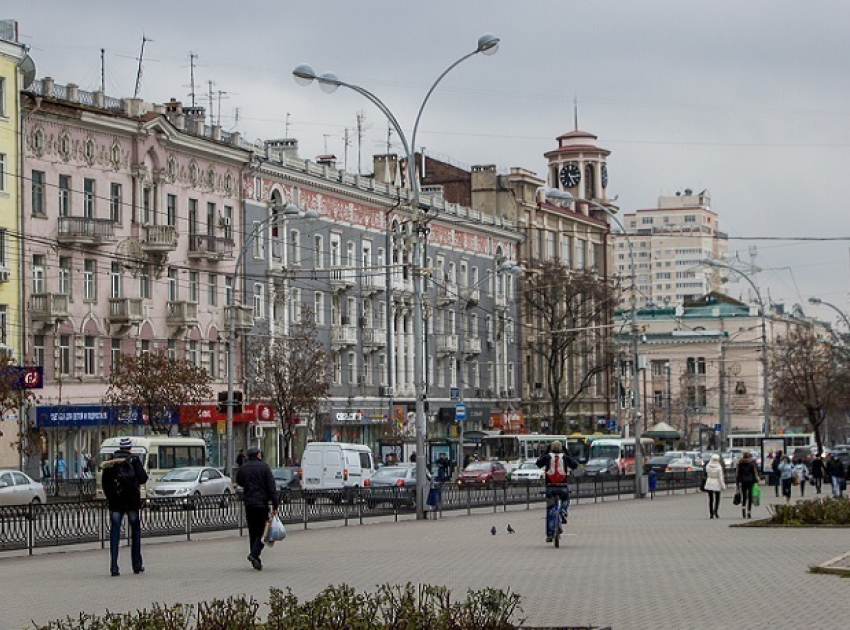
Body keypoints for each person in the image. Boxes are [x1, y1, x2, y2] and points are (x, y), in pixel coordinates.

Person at [101, 437, 148, 577]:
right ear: (130, 448)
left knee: (115, 533)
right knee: (135, 532)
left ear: (120, 448)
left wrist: (111, 498)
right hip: (132, 502)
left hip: (116, 503)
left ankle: (114, 567)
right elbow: (143, 478)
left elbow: (105, 483)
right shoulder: (134, 460)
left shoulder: (111, 462)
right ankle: (137, 565)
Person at [235, 446, 279, 571]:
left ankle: (255, 558)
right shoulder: (264, 467)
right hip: (262, 504)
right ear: (258, 455)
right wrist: (275, 504)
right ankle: (254, 554)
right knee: (263, 533)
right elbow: (271, 487)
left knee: (253, 531)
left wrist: (249, 485)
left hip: (249, 503)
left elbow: (239, 481)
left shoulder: (243, 467)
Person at [536, 440, 578, 542]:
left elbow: (538, 464)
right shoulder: (565, 457)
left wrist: (545, 452)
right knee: (565, 499)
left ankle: (550, 534)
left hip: (550, 486)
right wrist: (567, 452)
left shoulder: (547, 457)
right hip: (562, 486)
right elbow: (575, 465)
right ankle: (563, 511)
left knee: (550, 510)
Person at [735, 451, 760, 519]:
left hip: (743, 481)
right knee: (750, 497)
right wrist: (756, 481)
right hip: (750, 481)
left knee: (744, 496)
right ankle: (749, 512)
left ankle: (743, 508)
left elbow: (738, 474)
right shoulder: (751, 463)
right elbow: (754, 473)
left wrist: (737, 483)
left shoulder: (740, 463)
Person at [704, 453, 726, 519]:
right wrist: (723, 486)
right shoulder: (719, 467)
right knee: (717, 499)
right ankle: (715, 511)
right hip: (717, 483)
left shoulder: (708, 466)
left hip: (709, 482)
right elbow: (720, 477)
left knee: (710, 499)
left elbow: (707, 474)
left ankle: (711, 513)